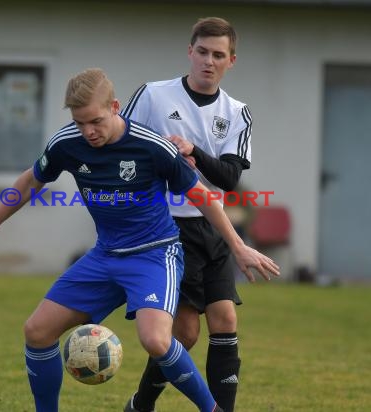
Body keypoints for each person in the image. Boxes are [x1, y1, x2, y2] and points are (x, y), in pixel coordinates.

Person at [0, 68, 279, 412]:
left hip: (154, 255)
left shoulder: (152, 146)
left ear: (115, 107)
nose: (88, 131)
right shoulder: (67, 143)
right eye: (79, 123)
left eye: (95, 121)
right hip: (105, 256)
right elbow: (32, 180)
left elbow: (200, 195)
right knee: (37, 331)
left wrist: (238, 246)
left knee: (156, 340)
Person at [121, 17, 255, 412]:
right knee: (185, 333)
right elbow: (119, 144)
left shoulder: (237, 112)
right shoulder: (151, 95)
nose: (208, 61)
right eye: (202, 52)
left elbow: (229, 178)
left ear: (231, 60)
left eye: (218, 55)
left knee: (225, 319)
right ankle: (141, 404)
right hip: (166, 228)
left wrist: (193, 151)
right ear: (189, 51)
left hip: (211, 223)